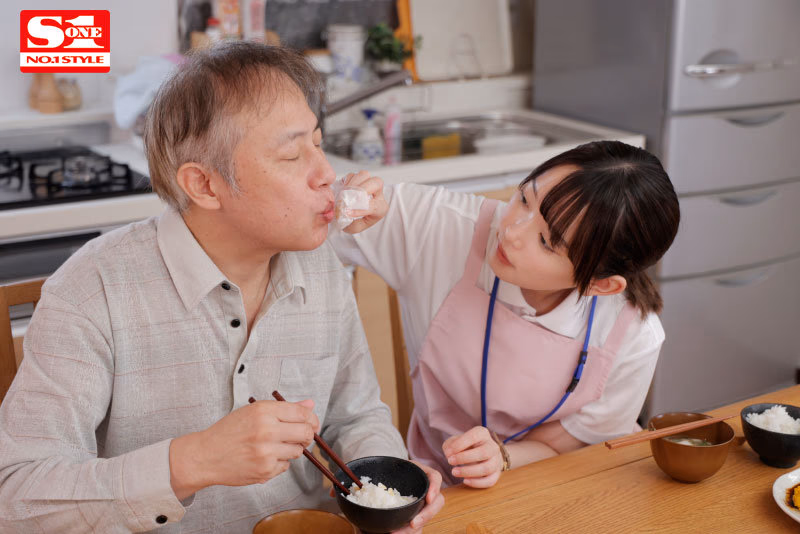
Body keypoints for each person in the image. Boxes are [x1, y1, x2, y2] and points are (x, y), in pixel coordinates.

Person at [0, 42, 442, 533]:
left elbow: (355, 418)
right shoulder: (91, 291)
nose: (326, 174)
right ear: (205, 186)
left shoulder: (319, 266)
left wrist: (384, 486)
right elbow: (17, 498)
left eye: (318, 142)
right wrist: (192, 461)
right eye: (293, 154)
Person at [329, 141, 681, 488]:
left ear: (600, 286)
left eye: (546, 241)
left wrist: (504, 457)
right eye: (525, 198)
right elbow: (304, 210)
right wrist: (349, 199)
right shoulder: (442, 226)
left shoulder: (633, 336)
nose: (511, 231)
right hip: (435, 484)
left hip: (558, 488)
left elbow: (577, 447)